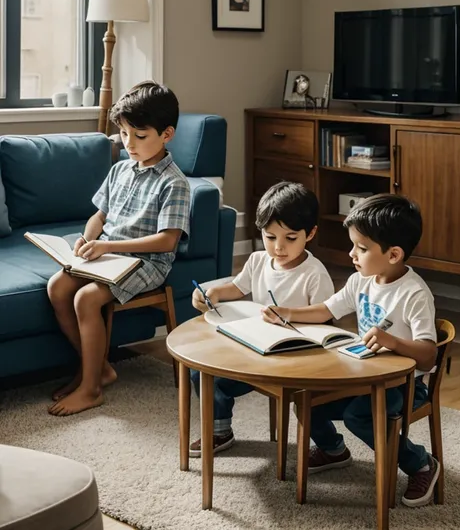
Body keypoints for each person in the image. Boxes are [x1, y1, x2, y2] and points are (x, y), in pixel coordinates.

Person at [262, 193, 439, 508]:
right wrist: (286, 312)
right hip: (363, 373)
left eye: (362, 247)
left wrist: (393, 341)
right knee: (307, 401)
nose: (352, 254)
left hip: (405, 384)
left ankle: (421, 463)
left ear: (394, 254)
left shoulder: (414, 294)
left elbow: (428, 355)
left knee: (359, 416)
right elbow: (325, 310)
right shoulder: (362, 280)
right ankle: (333, 449)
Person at [47, 81, 190, 416]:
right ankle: (99, 368)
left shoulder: (174, 183)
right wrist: (87, 239)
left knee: (85, 298)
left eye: (139, 136)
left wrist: (107, 245)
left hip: (146, 263)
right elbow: (100, 215)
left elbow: (167, 241)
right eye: (124, 134)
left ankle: (91, 388)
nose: (129, 144)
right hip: (108, 256)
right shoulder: (119, 170)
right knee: (57, 287)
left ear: (166, 134)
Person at [189, 181, 334, 457]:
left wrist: (290, 318)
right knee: (202, 373)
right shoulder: (258, 260)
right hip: (256, 352)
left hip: (295, 360)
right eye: (270, 237)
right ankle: (220, 430)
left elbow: (324, 319)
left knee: (306, 404)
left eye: (290, 238)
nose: (279, 247)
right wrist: (213, 293)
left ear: (310, 233)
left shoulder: (314, 273)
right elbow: (237, 287)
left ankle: (332, 447)